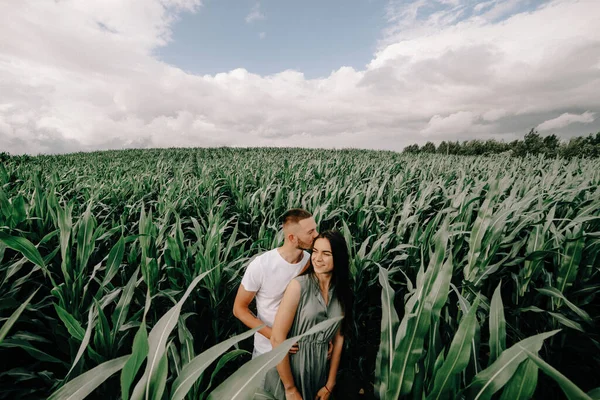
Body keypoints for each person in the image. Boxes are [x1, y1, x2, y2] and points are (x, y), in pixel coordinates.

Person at [264, 230, 353, 400]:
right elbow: (277, 338)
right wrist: (290, 389)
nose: (317, 258)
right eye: (315, 251)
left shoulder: (342, 292)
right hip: (291, 371)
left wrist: (330, 384)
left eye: (326, 253)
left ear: (339, 257)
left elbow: (339, 338)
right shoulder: (298, 286)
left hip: (320, 372)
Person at [233, 208, 319, 360]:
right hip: (268, 352)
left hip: (302, 350)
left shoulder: (311, 262)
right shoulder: (261, 265)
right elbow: (239, 309)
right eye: (310, 232)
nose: (316, 235)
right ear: (292, 238)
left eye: (315, 229)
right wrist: (274, 337)